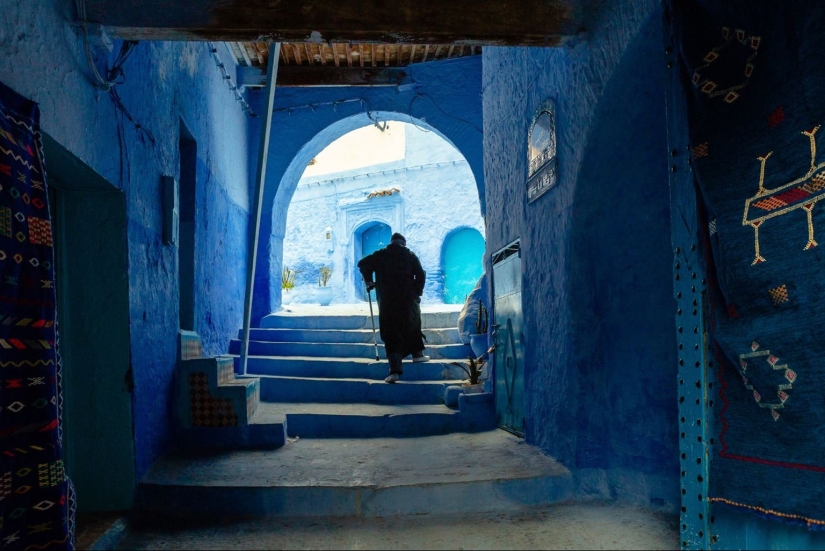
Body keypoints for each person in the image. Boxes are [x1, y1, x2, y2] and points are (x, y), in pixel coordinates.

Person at [358, 232, 429, 383]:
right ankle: (417, 355)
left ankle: (395, 371)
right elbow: (421, 275)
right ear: (403, 243)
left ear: (391, 243)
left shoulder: (381, 254)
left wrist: (369, 281)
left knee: (391, 332)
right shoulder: (410, 255)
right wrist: (417, 292)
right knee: (413, 326)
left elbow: (363, 264)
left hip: (387, 301)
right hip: (407, 301)